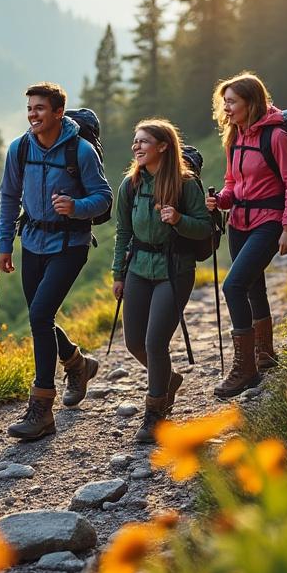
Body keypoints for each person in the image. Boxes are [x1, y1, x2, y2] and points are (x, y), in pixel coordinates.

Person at [0, 82, 113, 441]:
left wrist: (76, 208)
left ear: (58, 112)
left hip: (70, 242)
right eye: (30, 108)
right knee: (40, 318)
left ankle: (42, 408)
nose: (33, 114)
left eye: (40, 108)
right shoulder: (19, 149)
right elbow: (8, 197)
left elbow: (104, 198)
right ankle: (78, 364)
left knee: (39, 315)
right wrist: (4, 244)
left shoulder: (80, 151)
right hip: (31, 241)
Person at [111, 119, 213, 442]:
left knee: (155, 342)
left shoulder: (186, 184)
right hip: (138, 268)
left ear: (164, 146)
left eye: (143, 142)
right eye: (135, 141)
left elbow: (205, 227)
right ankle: (167, 380)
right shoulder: (130, 185)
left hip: (174, 269)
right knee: (133, 342)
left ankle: (155, 414)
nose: (136, 147)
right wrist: (118, 274)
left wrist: (179, 220)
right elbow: (123, 233)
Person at [205, 73, 287, 398]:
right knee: (252, 286)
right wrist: (221, 200)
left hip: (269, 221)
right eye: (225, 102)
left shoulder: (276, 137)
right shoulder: (234, 136)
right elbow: (233, 180)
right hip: (238, 221)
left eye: (232, 101)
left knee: (233, 286)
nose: (227, 108)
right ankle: (264, 354)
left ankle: (245, 368)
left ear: (251, 102)